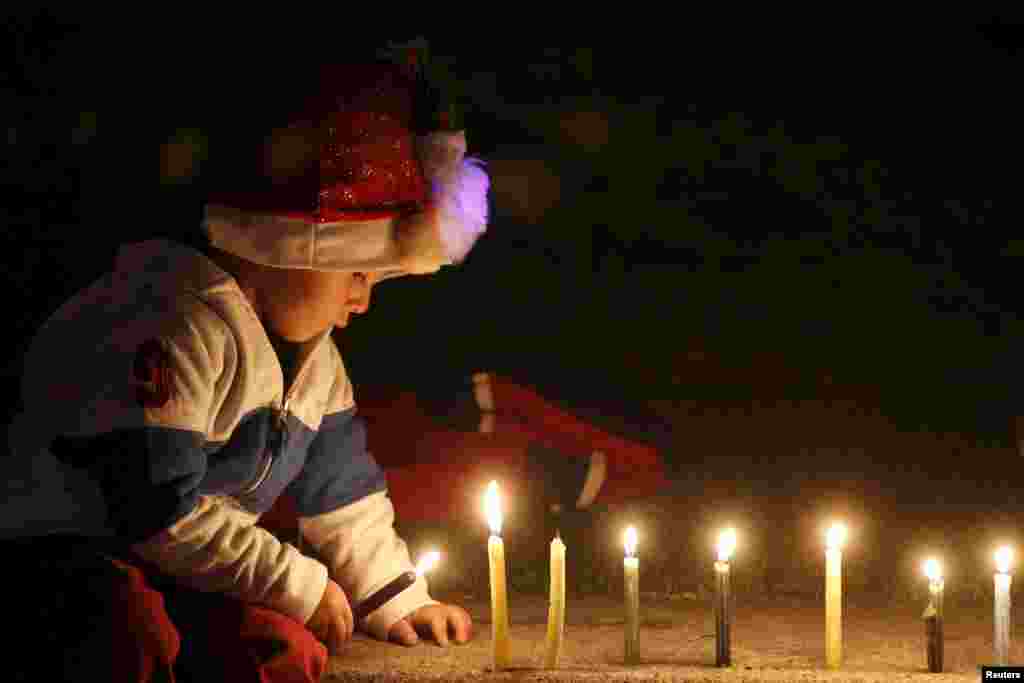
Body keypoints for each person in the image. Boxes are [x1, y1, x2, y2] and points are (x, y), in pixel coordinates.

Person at [2, 55, 487, 682]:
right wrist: (294, 579)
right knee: (126, 634)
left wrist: (398, 600)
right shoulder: (172, 324)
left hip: (181, 570)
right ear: (279, 251)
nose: (364, 298)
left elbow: (344, 495)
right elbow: (154, 510)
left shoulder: (318, 365)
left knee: (282, 647)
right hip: (69, 556)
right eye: (356, 271)